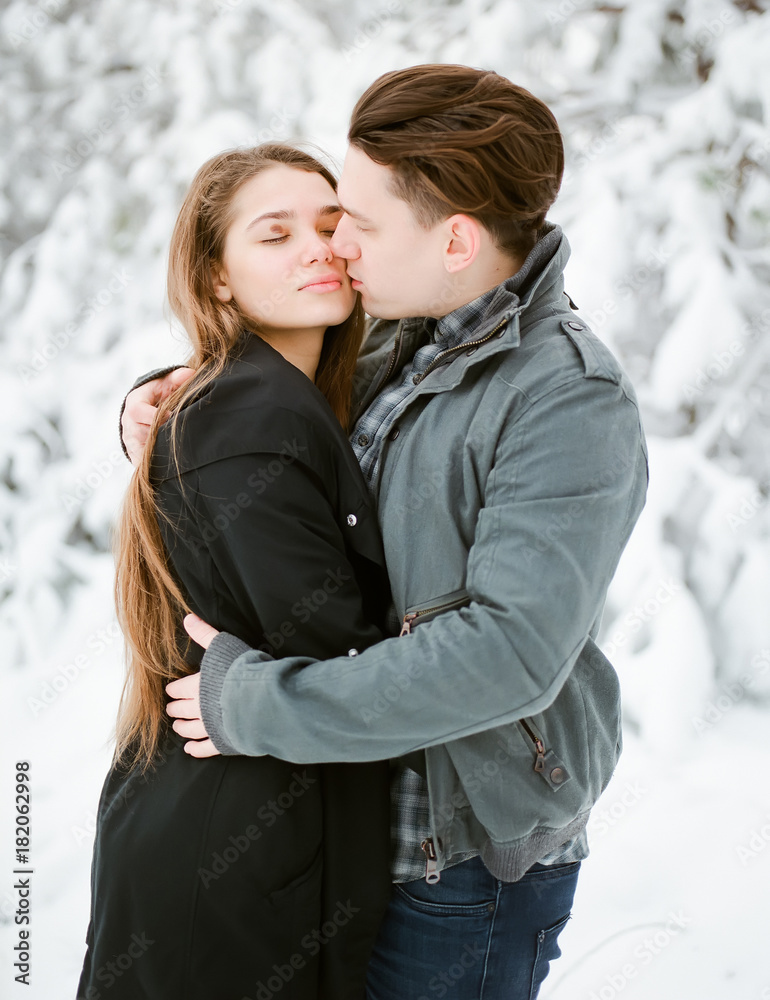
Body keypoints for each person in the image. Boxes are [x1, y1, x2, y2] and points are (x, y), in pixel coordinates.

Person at [121, 65, 649, 999]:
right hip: (352, 832)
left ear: (453, 239)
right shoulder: (398, 333)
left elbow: (507, 654)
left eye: (356, 222)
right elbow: (273, 378)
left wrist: (256, 707)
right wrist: (161, 399)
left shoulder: (567, 398)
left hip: (464, 866)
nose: (338, 246)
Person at [78, 144, 395, 1000]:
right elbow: (336, 655)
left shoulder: (279, 396)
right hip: (238, 854)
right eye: (275, 234)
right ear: (217, 278)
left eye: (333, 226)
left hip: (238, 827)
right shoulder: (251, 416)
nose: (317, 249)